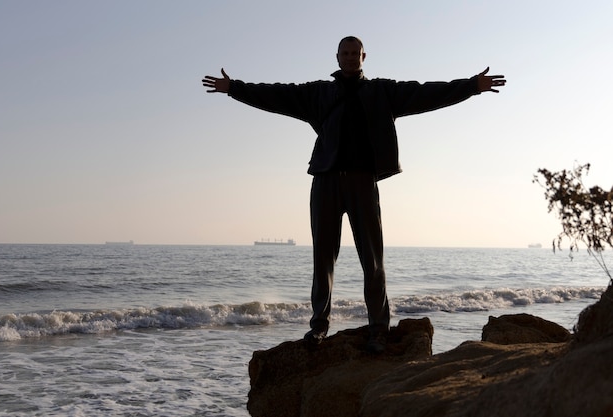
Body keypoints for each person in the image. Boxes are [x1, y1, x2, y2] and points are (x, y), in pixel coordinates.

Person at [202, 36, 506, 353]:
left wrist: (472, 85)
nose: (349, 58)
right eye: (344, 53)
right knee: (323, 259)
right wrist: (234, 88)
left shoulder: (382, 92)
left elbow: (426, 92)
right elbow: (276, 95)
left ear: (364, 57)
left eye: (354, 53)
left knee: (372, 261)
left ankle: (378, 330)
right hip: (325, 180)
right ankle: (319, 326)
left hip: (363, 182)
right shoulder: (317, 93)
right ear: (337, 57)